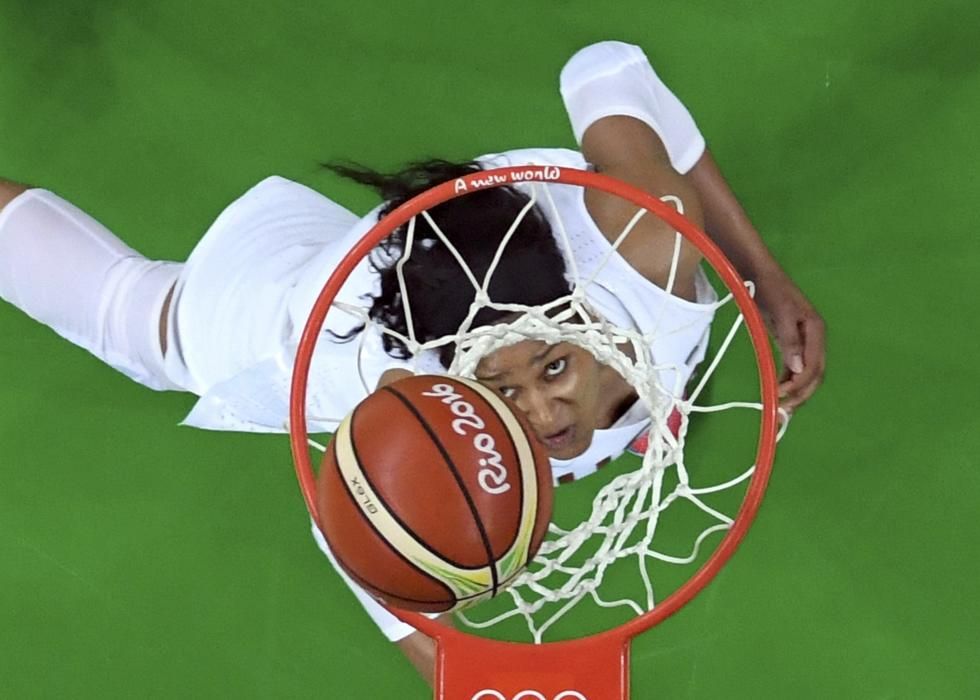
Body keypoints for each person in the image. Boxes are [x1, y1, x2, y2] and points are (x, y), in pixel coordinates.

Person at [0, 41, 825, 684]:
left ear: (591, 328)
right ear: (449, 382)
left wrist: (766, 277)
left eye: (552, 371)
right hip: (304, 312)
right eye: (500, 391)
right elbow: (352, 523)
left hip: (453, 252)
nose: (535, 417)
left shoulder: (652, 239)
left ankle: (634, 411)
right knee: (142, 321)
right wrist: (467, 675)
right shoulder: (375, 383)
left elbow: (606, 68)